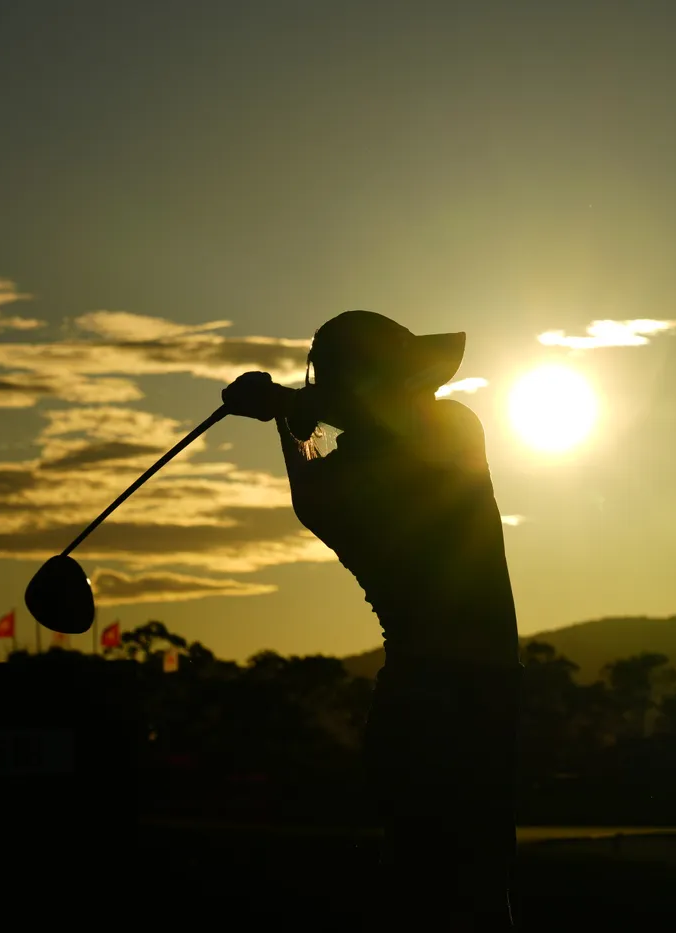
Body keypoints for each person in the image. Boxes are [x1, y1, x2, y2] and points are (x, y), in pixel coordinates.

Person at [221, 310, 522, 930]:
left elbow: (338, 436)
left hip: (432, 700)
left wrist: (284, 407)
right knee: (465, 892)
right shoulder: (447, 434)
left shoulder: (332, 488)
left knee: (449, 891)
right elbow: (374, 424)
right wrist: (288, 406)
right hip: (450, 702)